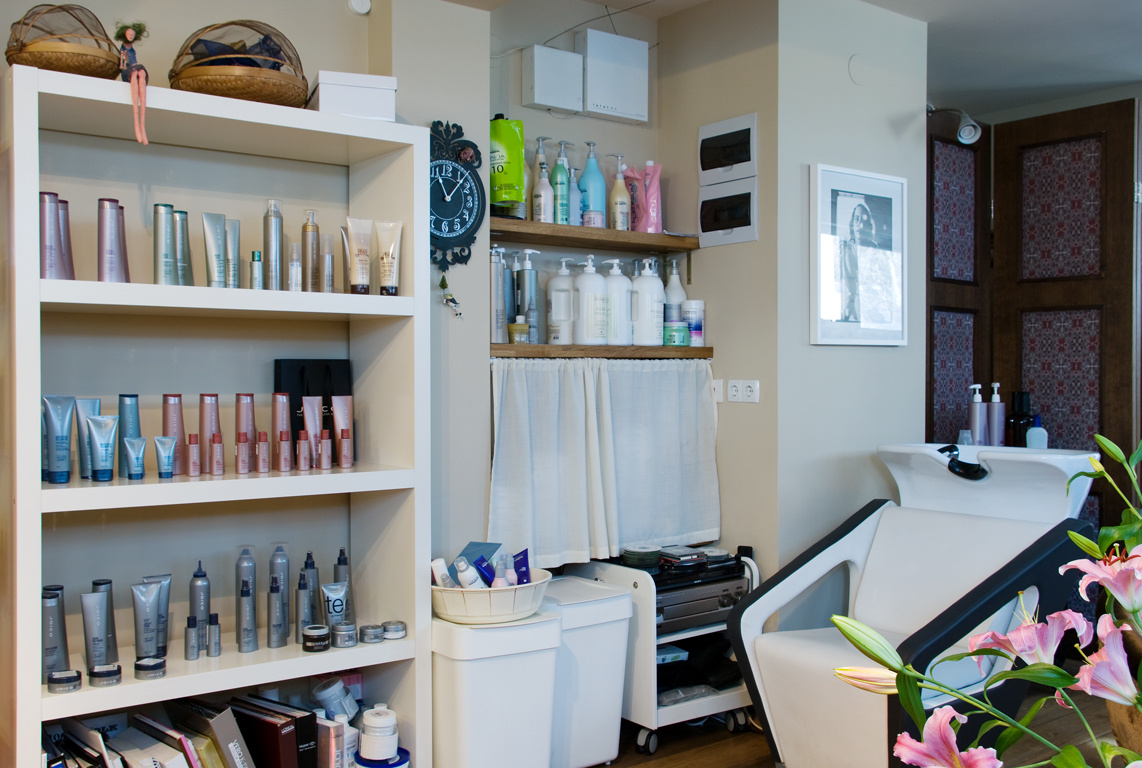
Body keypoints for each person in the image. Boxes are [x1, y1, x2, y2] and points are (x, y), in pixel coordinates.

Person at [838, 201, 877, 322]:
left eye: (864, 220)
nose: (860, 224)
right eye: (857, 219)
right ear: (852, 224)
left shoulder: (875, 251)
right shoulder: (845, 250)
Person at [116, 22, 148, 145]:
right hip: (127, 72)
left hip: (133, 69)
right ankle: (139, 130)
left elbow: (134, 60)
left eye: (133, 34)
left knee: (141, 72)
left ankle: (142, 129)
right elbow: (123, 63)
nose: (131, 36)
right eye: (129, 33)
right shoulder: (123, 50)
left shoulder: (132, 50)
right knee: (135, 73)